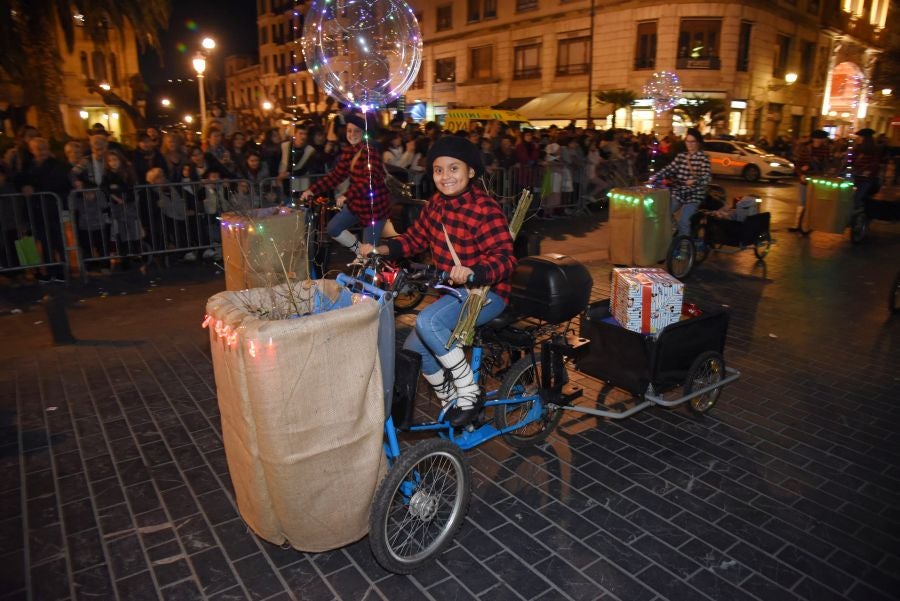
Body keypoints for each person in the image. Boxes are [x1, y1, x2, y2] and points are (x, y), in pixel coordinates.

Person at [360, 136, 516, 427]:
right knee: (413, 349)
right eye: (438, 170)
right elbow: (414, 239)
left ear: (471, 172)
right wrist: (382, 249)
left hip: (488, 293)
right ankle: (450, 398)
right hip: (453, 294)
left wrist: (474, 271)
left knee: (428, 321)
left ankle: (469, 391)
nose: (445, 177)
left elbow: (506, 259)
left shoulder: (485, 208)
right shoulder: (435, 206)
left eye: (454, 168)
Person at [300, 113, 392, 256]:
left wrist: (347, 195)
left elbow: (369, 181)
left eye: (356, 131)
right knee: (333, 228)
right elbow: (336, 175)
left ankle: (369, 264)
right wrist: (312, 190)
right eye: (349, 130)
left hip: (374, 209)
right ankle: (360, 253)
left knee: (370, 255)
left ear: (363, 133)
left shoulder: (370, 152)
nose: (352, 134)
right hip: (358, 204)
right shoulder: (350, 152)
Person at [648, 128, 712, 236]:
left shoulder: (703, 158)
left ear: (698, 143)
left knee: (684, 221)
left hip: (694, 194)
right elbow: (669, 168)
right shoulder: (681, 156)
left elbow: (706, 177)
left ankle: (685, 248)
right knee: (664, 213)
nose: (690, 144)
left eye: (693, 141)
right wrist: (655, 176)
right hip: (679, 192)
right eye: (687, 141)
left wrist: (695, 181)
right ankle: (678, 233)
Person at [789, 130, 832, 231]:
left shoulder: (825, 150)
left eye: (821, 139)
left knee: (812, 203)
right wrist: (801, 174)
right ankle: (797, 225)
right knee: (802, 202)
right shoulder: (805, 149)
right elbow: (798, 163)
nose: (819, 141)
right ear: (813, 139)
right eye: (818, 139)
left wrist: (824, 172)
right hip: (805, 178)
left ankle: (807, 226)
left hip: (817, 179)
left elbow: (826, 164)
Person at [849, 128, 881, 211]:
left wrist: (867, 171)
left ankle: (858, 214)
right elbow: (851, 161)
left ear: (866, 139)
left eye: (860, 137)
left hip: (866, 179)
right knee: (850, 197)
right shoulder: (857, 149)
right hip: (855, 176)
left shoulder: (874, 150)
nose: (858, 139)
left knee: (857, 198)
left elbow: (875, 165)